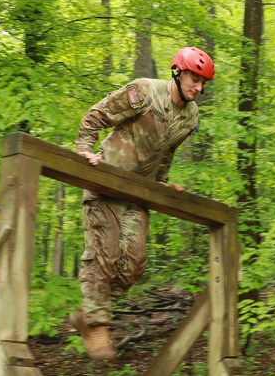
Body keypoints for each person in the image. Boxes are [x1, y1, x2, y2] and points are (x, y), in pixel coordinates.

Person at [69, 47, 215, 360]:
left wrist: (162, 181)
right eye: (194, 78)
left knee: (134, 264)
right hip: (106, 181)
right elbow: (97, 114)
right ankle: (96, 325)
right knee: (104, 254)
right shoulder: (145, 92)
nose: (198, 88)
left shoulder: (191, 117)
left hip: (138, 193)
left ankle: (90, 311)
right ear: (178, 71)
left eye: (204, 83)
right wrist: (84, 149)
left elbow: (167, 151)